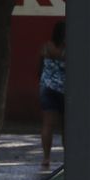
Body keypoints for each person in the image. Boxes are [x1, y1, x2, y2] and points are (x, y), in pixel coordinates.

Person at [38, 20, 66, 172]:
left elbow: (40, 66)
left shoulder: (46, 47)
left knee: (47, 124)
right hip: (65, 90)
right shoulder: (69, 49)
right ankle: (68, 156)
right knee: (67, 126)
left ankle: (46, 157)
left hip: (47, 87)